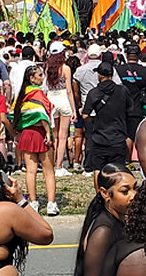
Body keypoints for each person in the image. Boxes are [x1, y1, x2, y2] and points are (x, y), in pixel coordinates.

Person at [12, 64, 58, 215]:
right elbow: (41, 114)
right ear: (32, 78)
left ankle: (33, 202)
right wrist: (48, 133)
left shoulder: (21, 95)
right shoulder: (37, 93)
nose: (42, 77)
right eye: (39, 75)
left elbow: (13, 114)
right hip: (41, 134)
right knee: (48, 171)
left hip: (27, 134)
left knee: (30, 171)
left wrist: (18, 131)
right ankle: (51, 203)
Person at [83, 61, 130, 172]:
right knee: (118, 171)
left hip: (99, 137)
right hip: (118, 136)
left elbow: (85, 115)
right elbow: (130, 109)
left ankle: (99, 190)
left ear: (99, 75)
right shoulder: (123, 90)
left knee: (98, 170)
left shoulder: (94, 93)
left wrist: (93, 120)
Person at [41, 42, 76, 176]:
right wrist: (73, 109)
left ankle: (51, 163)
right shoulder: (66, 68)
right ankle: (59, 166)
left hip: (51, 100)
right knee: (63, 136)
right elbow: (69, 90)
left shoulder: (47, 67)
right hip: (64, 100)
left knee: (53, 136)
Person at [119, 44, 146, 156]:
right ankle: (128, 159)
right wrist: (143, 94)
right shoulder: (145, 71)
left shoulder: (119, 70)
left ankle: (123, 159)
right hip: (137, 107)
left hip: (120, 106)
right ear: (139, 55)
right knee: (132, 135)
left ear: (126, 55)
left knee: (123, 134)